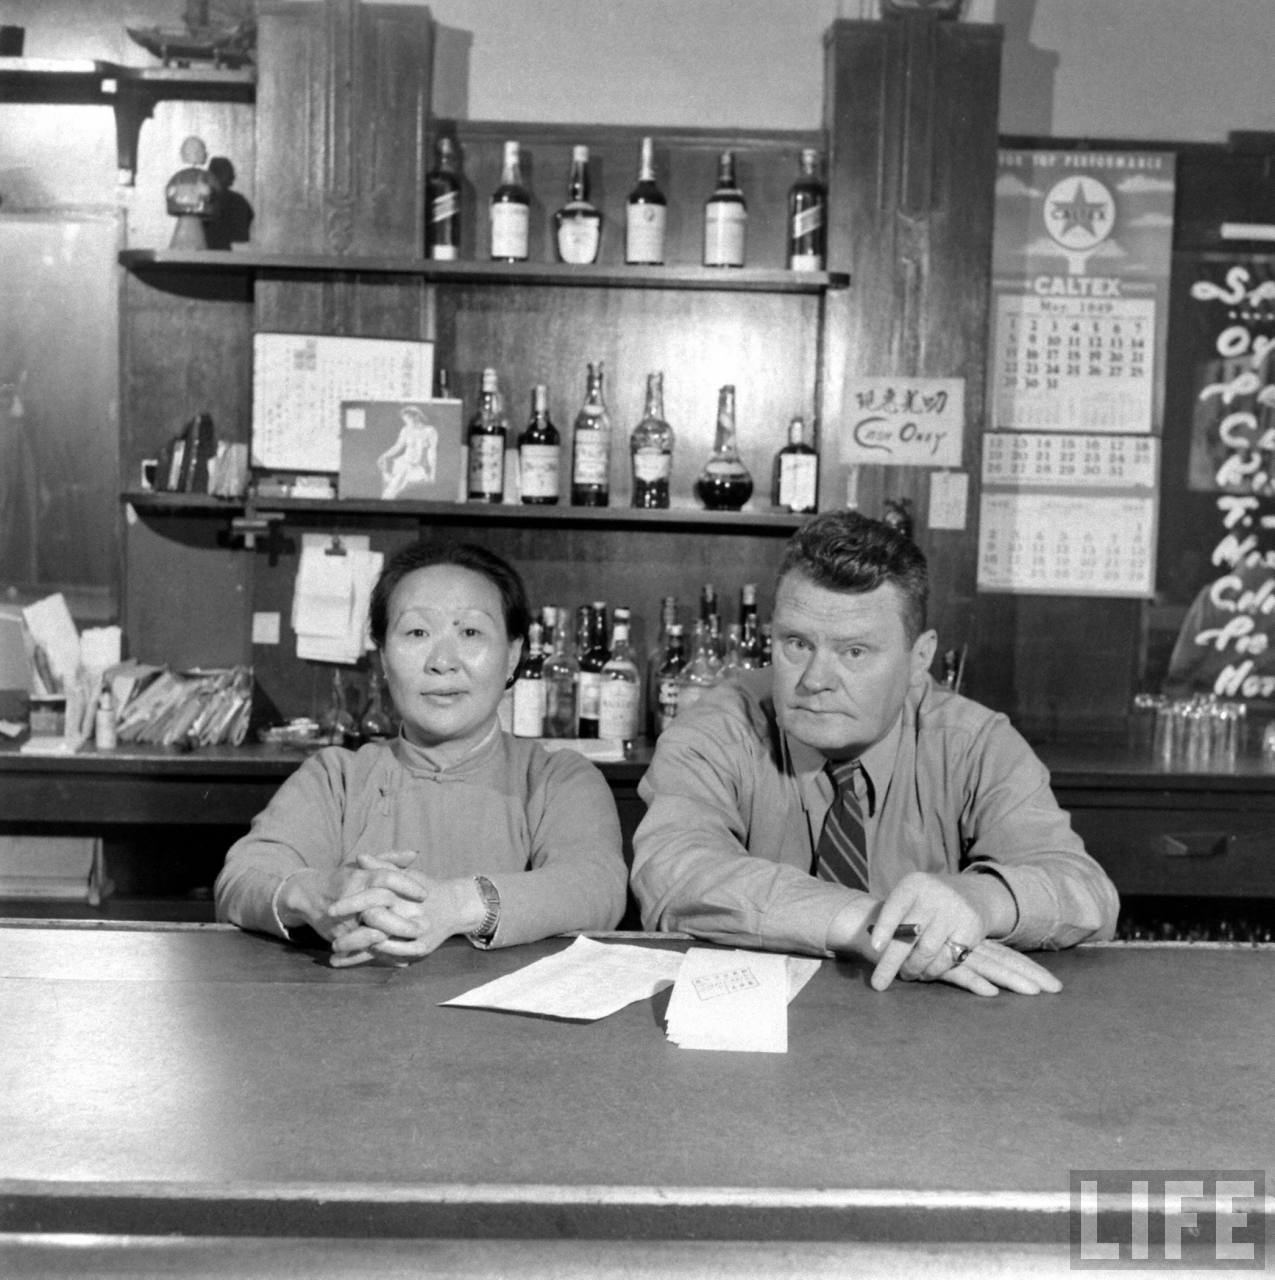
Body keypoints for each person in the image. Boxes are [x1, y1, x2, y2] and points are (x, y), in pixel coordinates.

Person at [631, 511, 1119, 997]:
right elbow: (675, 871)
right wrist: (872, 922)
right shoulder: (717, 730)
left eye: (855, 652)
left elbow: (1085, 891)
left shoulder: (973, 742)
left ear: (919, 659)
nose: (815, 679)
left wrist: (975, 899)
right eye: (796, 643)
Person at [216, 542, 627, 965]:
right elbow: (243, 879)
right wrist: (316, 896)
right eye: (416, 633)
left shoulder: (557, 778)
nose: (442, 661)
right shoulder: (337, 777)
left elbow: (598, 886)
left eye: (470, 632)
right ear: (383, 659)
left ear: (514, 655)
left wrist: (458, 904)